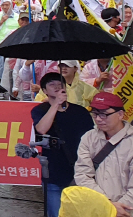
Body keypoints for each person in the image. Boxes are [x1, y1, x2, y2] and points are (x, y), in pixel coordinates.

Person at [73, 92, 133, 217]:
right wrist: (106, 204)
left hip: (129, 212)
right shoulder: (88, 138)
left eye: (104, 114)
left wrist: (115, 209)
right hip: (97, 209)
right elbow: (82, 175)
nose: (98, 119)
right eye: (95, 114)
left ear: (120, 114)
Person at [31, 71, 94, 217]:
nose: (57, 87)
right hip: (53, 172)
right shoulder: (40, 110)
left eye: (60, 84)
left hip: (78, 171)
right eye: (52, 84)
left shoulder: (80, 111)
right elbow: (41, 129)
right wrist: (55, 105)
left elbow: (92, 138)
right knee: (55, 212)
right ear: (44, 91)